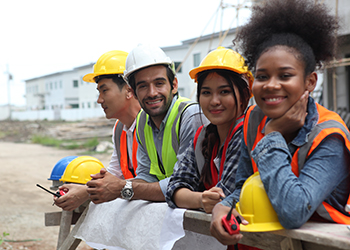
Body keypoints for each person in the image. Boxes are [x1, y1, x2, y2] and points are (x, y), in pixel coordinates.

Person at [210, 0, 350, 246]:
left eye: (285, 75)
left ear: (310, 82)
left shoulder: (330, 136)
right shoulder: (253, 120)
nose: (271, 85)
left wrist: (272, 135)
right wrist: (222, 207)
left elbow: (293, 211)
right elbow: (242, 187)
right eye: (262, 76)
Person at [108, 43, 208, 202]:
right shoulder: (142, 121)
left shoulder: (189, 116)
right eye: (143, 86)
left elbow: (184, 185)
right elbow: (146, 176)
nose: (152, 93)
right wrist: (100, 188)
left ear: (174, 85)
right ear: (133, 92)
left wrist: (122, 188)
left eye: (159, 83)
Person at [165, 46, 252, 213]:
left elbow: (224, 196)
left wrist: (197, 198)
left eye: (224, 91)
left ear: (244, 96)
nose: (214, 101)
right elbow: (174, 189)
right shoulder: (203, 137)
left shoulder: (247, 134)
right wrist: (201, 199)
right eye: (206, 92)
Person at [54, 50, 141, 210]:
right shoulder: (120, 128)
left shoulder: (151, 125)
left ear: (129, 90)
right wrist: (84, 190)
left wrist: (86, 192)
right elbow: (115, 175)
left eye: (104, 90)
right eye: (99, 92)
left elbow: (149, 183)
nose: (99, 100)